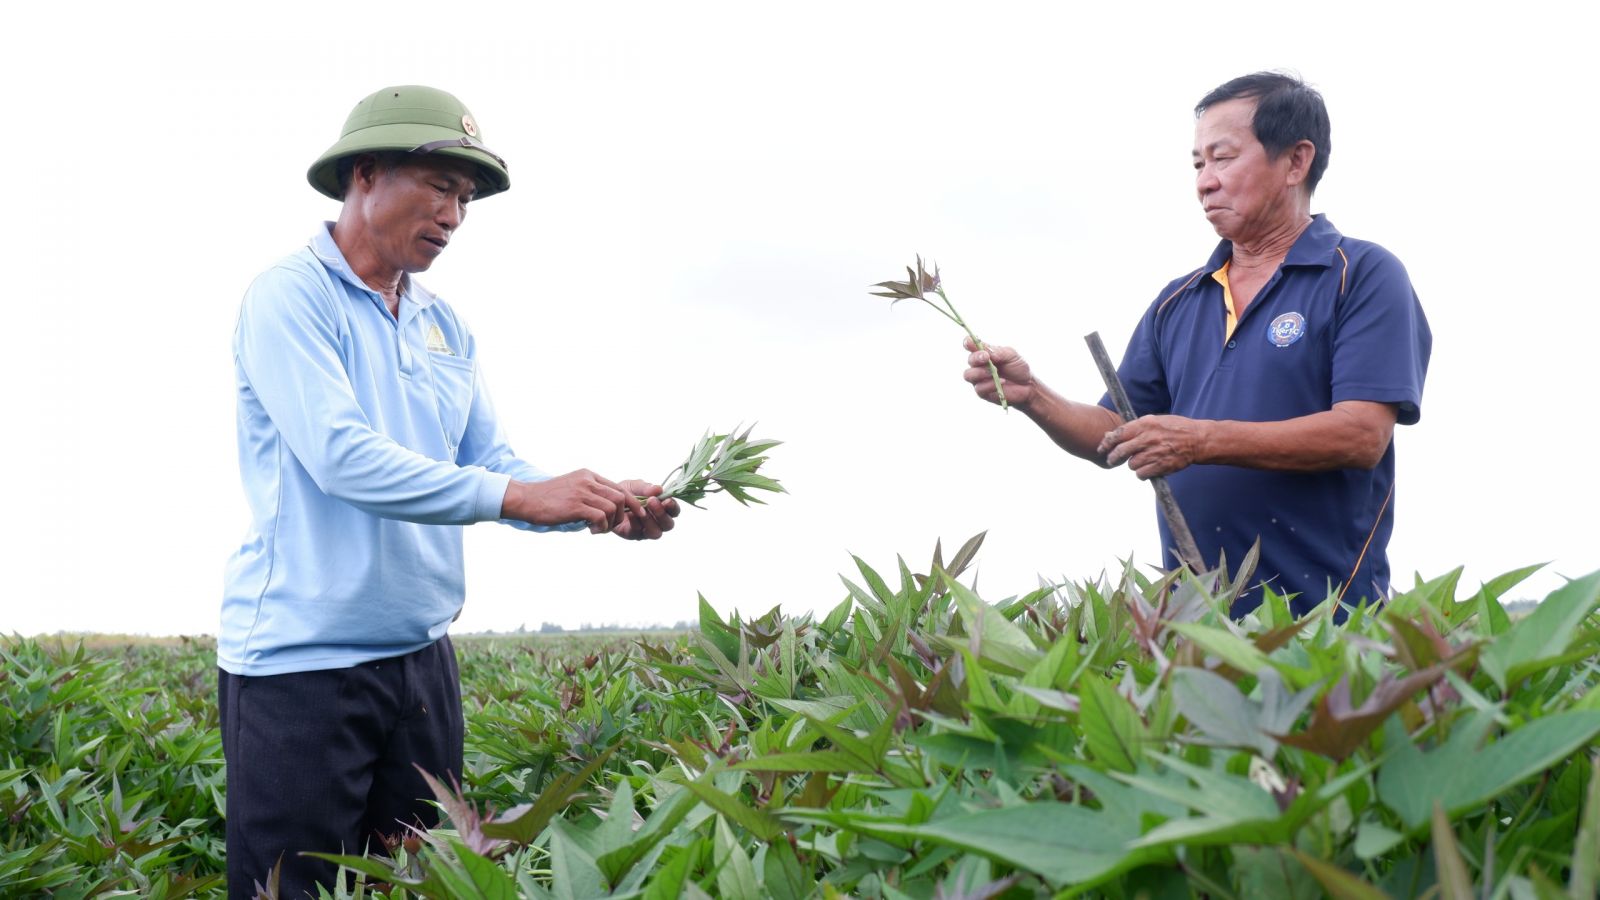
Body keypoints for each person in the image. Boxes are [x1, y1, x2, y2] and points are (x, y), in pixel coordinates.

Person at [219, 85, 679, 897]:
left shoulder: (443, 323)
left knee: (420, 883)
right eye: (439, 186)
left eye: (465, 198)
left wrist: (596, 502)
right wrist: (520, 497)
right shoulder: (289, 298)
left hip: (421, 662)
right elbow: (342, 457)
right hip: (303, 669)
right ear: (364, 174)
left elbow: (491, 457)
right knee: (294, 891)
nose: (455, 216)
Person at [963, 71, 1431, 618]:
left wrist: (1200, 440)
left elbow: (1360, 435)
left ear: (1296, 162)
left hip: (1326, 622)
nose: (1205, 181)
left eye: (1223, 158)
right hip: (1197, 624)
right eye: (1197, 164)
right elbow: (1113, 433)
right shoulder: (1178, 302)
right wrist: (1033, 396)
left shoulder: (1362, 275)